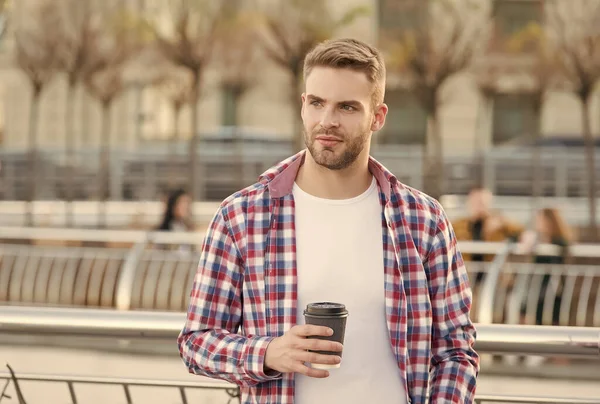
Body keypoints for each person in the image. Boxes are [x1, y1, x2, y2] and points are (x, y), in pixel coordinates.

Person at [178, 38, 479, 404]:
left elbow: (455, 350)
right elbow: (197, 341)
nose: (327, 121)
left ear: (378, 117)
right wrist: (268, 353)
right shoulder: (241, 216)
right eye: (317, 103)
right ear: (303, 105)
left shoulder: (423, 220)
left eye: (347, 107)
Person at [453, 187, 524, 285]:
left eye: (482, 202)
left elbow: (520, 232)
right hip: (467, 277)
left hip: (495, 276)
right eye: (476, 202)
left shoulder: (500, 222)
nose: (479, 206)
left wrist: (501, 224)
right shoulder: (458, 225)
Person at [520, 207, 573, 326]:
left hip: (552, 286)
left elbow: (561, 254)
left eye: (541, 220)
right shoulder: (536, 238)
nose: (538, 223)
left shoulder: (560, 241)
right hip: (537, 285)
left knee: (551, 316)